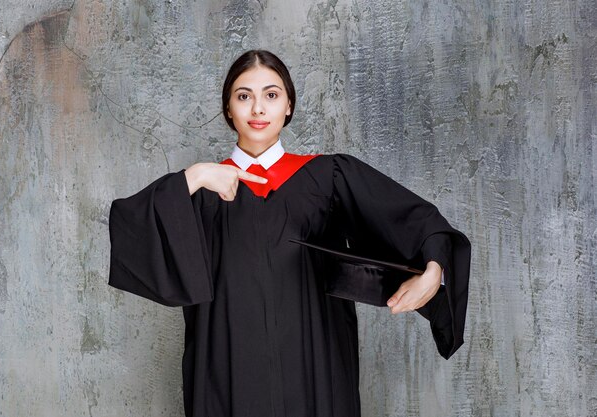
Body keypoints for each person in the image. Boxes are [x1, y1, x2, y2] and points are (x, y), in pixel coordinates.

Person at [108, 49, 471, 417]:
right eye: (243, 96)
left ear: (289, 106)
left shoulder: (327, 177)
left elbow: (412, 220)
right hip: (228, 363)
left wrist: (434, 269)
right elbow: (131, 229)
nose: (258, 109)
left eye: (271, 94)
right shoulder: (199, 190)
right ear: (228, 110)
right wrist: (195, 177)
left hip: (314, 358)